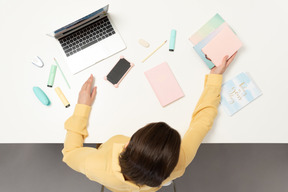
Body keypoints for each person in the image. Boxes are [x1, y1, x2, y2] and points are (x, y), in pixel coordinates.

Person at [62, 53, 237, 192]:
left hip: (115, 184)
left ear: (127, 145)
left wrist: (82, 107)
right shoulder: (180, 162)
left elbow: (70, 153)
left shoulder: (96, 166)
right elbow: (203, 122)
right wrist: (215, 78)